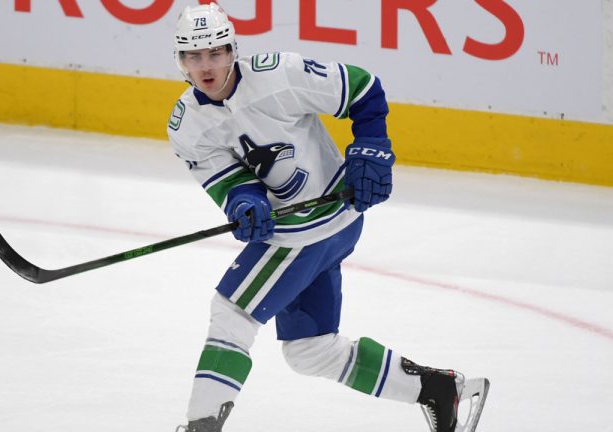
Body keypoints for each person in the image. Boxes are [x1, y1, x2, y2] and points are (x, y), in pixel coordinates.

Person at [167, 4, 488, 432]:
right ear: (180, 61)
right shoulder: (186, 125)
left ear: (233, 50)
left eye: (215, 53)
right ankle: (437, 390)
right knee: (310, 350)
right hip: (321, 228)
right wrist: (245, 203)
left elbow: (363, 88)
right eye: (193, 56)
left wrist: (371, 144)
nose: (205, 66)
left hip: (316, 224)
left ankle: (200, 426)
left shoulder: (277, 75)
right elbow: (228, 182)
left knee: (232, 313)